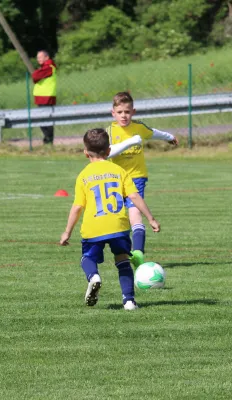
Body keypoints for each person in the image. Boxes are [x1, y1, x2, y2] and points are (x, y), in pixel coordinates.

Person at [59, 128, 161, 310]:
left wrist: (67, 232)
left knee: (87, 258)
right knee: (122, 261)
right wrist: (151, 218)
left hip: (94, 227)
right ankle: (129, 301)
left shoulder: (83, 175)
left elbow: (77, 207)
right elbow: (135, 196)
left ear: (85, 152)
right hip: (118, 225)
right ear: (108, 151)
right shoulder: (119, 171)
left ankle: (94, 277)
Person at [107, 91, 178, 267]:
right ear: (113, 113)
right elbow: (109, 152)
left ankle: (137, 253)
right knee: (117, 220)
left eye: (127, 111)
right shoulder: (109, 131)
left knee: (135, 215)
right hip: (116, 180)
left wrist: (169, 137)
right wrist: (131, 142)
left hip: (136, 178)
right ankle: (123, 253)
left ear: (134, 111)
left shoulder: (138, 128)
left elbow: (153, 133)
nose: (124, 115)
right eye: (120, 112)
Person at [32, 50, 57, 145]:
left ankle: (48, 140)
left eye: (40, 57)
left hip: (46, 97)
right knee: (44, 119)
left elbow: (35, 76)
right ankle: (48, 139)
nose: (38, 59)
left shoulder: (49, 67)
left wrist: (35, 74)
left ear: (47, 57)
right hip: (43, 97)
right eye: (37, 57)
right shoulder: (46, 67)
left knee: (45, 120)